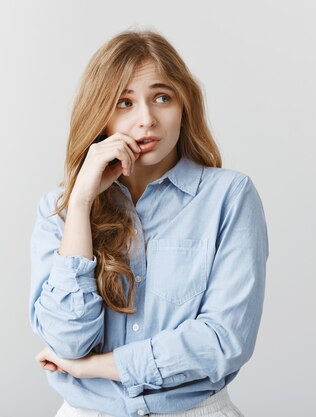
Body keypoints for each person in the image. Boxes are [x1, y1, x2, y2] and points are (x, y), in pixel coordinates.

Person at [28, 28, 268, 417]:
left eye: (162, 97)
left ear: (184, 105)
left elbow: (223, 341)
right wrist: (81, 203)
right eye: (124, 102)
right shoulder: (59, 209)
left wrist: (99, 368)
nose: (146, 119)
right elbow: (68, 342)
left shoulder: (229, 196)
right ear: (100, 113)